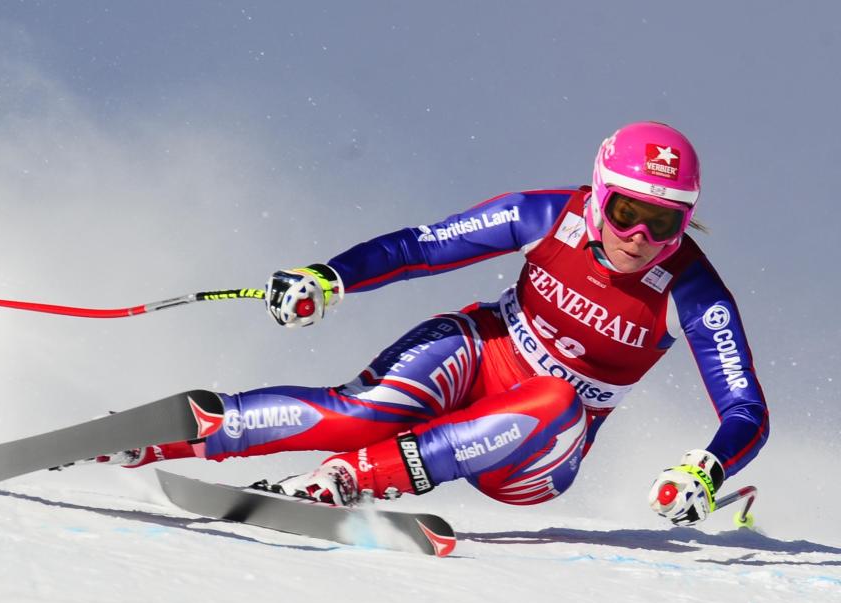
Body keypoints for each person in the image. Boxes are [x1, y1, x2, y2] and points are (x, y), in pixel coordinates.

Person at [107, 121, 769, 527]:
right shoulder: (546, 216)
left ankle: (348, 480)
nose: (638, 236)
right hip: (486, 356)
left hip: (538, 448)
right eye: (626, 210)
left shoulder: (692, 289)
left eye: (664, 221)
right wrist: (330, 276)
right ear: (599, 194)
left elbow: (745, 410)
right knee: (363, 410)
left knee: (556, 396)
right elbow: (423, 246)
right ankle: (177, 432)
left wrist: (706, 472)